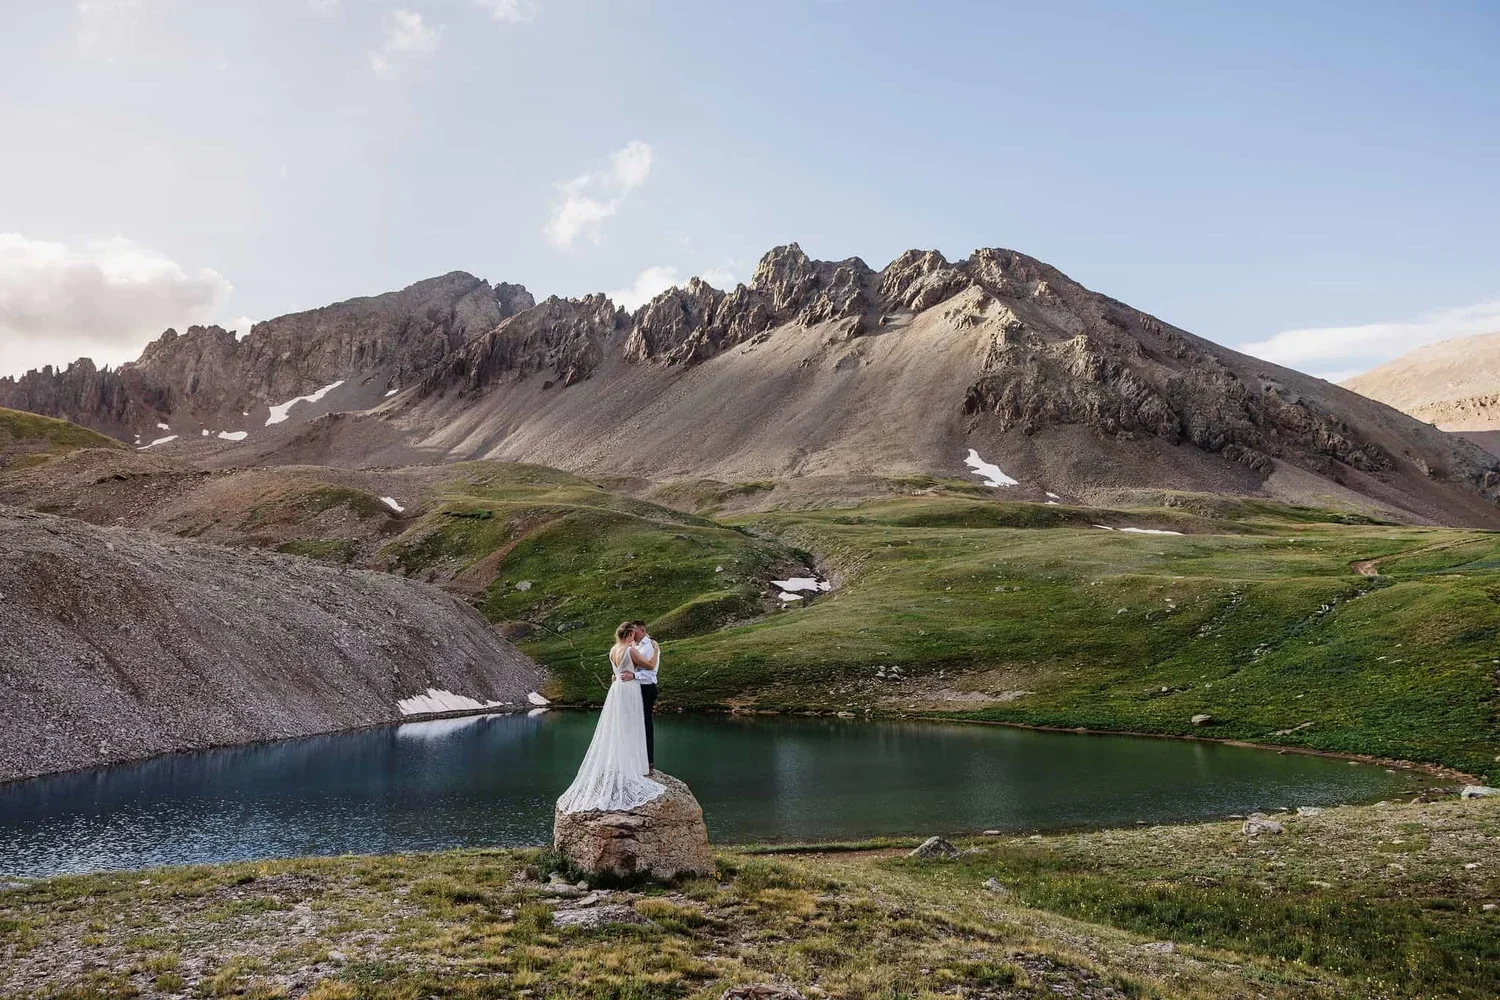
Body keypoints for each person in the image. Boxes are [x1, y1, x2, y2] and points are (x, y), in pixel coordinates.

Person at [555, 622, 664, 814]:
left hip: (617, 690)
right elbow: (651, 665)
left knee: (619, 725)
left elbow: (618, 672)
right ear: (630, 634)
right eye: (632, 634)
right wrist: (656, 650)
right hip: (630, 690)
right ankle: (636, 763)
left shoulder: (613, 649)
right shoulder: (631, 651)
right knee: (634, 724)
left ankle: (621, 761)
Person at [630, 620, 660, 771]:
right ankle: (636, 757)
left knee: (646, 725)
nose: (632, 634)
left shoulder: (649, 646)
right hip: (635, 689)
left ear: (641, 630)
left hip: (646, 688)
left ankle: (649, 761)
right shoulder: (633, 646)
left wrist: (633, 676)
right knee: (634, 725)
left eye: (634, 631)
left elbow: (650, 672)